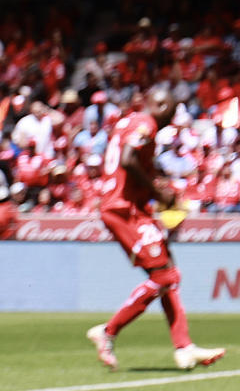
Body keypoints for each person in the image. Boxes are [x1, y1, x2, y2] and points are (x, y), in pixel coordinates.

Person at [87, 88, 224, 371]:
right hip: (123, 209)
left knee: (169, 274)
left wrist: (157, 186)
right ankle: (108, 331)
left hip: (133, 207)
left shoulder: (129, 122)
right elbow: (127, 159)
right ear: (161, 108)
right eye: (170, 112)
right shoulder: (145, 124)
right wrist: (158, 194)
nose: (170, 118)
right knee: (165, 275)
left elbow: (132, 163)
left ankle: (184, 348)